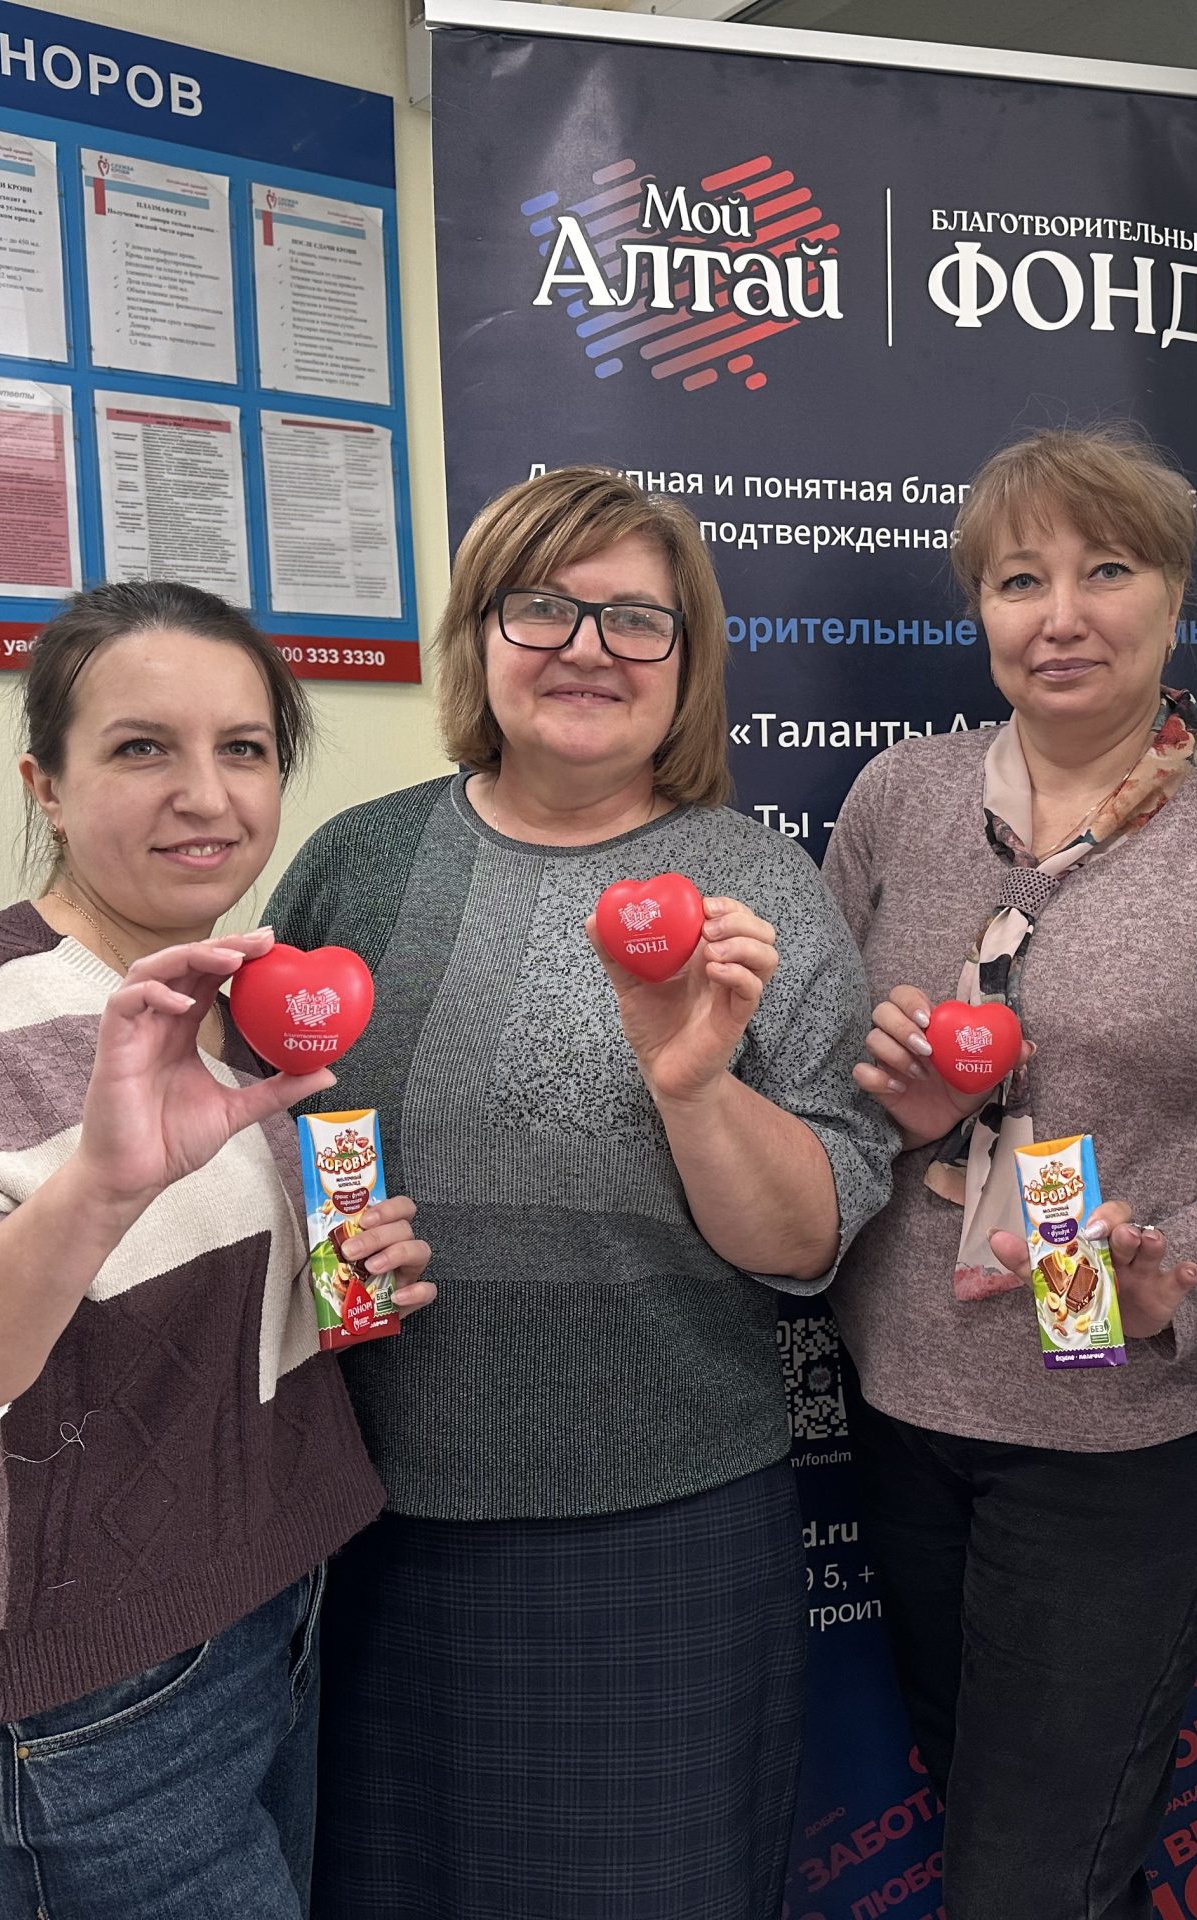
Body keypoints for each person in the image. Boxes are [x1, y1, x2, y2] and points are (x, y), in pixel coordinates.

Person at [269, 467, 895, 1920]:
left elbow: (808, 1242)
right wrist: (316, 1245)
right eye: (542, 608)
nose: (588, 649)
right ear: (478, 638)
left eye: (636, 620)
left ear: (688, 663)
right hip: (376, 1515)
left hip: (664, 1520)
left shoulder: (753, 888)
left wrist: (696, 1088)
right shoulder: (357, 862)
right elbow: (265, 1141)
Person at [0, 582, 434, 1920]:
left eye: (244, 748)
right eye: (142, 748)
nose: (207, 795)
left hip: (281, 1616)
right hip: (77, 1711)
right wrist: (95, 1190)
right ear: (49, 788)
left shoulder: (250, 1000)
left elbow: (178, 1320)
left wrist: (338, 1283)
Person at [822, 426, 1197, 1920]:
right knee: (1006, 1837)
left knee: (1029, 1882)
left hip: (1130, 1424)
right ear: (979, 611)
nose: (1060, 616)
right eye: (1020, 581)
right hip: (909, 1401)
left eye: (1107, 570)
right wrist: (910, 1116)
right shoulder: (900, 798)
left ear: (1177, 596)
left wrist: (1183, 1273)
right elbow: (815, 1087)